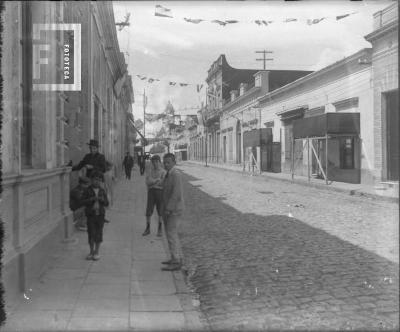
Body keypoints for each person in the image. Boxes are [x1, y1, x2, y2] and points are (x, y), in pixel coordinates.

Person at [161, 153, 185, 271]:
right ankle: (174, 257)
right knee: (170, 234)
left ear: (174, 162)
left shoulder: (176, 174)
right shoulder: (168, 174)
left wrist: (168, 209)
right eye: (164, 162)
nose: (165, 164)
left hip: (174, 210)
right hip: (169, 209)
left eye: (168, 162)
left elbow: (176, 194)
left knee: (171, 234)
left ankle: (176, 261)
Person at [81, 170, 109, 261]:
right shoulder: (87, 190)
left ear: (101, 181)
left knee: (98, 233)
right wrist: (92, 199)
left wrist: (101, 200)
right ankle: (91, 252)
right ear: (91, 180)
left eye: (99, 180)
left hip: (100, 215)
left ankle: (97, 252)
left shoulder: (102, 191)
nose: (97, 181)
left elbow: (106, 203)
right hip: (91, 216)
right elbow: (83, 201)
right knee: (91, 233)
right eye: (95, 179)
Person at [143, 155, 166, 237]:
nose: (155, 164)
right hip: (151, 192)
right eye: (153, 162)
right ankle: (148, 228)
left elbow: (162, 183)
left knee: (160, 211)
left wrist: (153, 182)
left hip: (160, 193)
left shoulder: (163, 172)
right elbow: (147, 182)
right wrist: (156, 180)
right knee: (148, 211)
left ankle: (159, 229)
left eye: (157, 162)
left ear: (160, 162)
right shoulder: (150, 171)